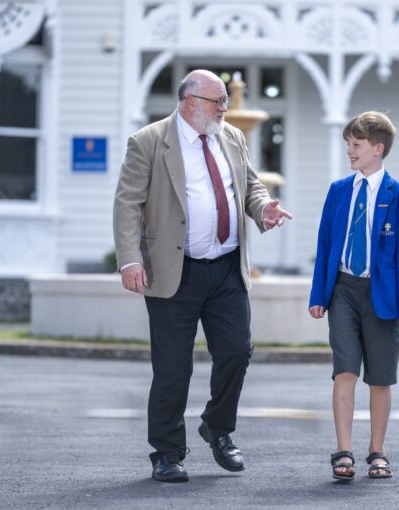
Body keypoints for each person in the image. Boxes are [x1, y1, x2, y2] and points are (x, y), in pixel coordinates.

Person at [113, 69, 292, 483]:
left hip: (227, 268)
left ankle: (218, 427)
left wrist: (262, 208)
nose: (225, 109)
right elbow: (128, 204)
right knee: (173, 368)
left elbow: (249, 186)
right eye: (218, 102)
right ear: (190, 102)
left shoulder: (231, 136)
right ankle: (167, 452)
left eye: (226, 101)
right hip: (174, 270)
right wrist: (129, 259)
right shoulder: (149, 142)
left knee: (236, 352)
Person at [308, 111, 399, 482]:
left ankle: (377, 450)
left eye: (356, 145)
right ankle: (343, 450)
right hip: (343, 291)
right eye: (348, 145)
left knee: (381, 377)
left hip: (382, 296)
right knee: (345, 369)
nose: (350, 151)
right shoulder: (339, 191)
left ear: (377, 148)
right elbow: (325, 246)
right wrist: (318, 294)